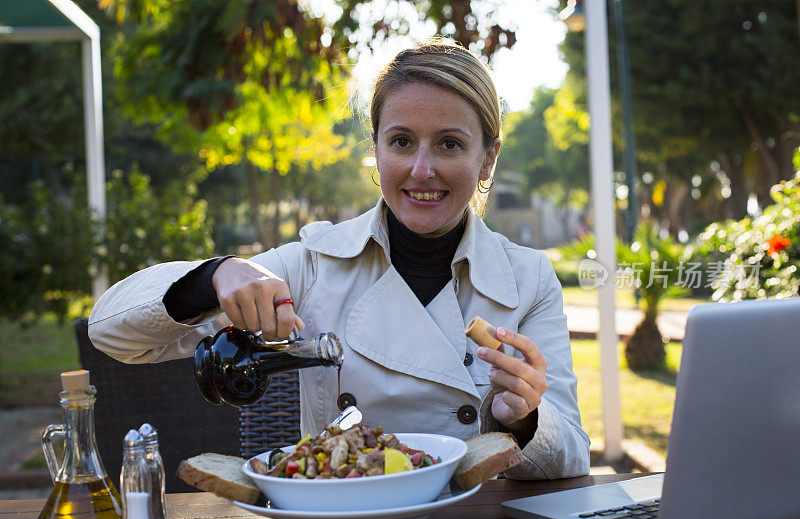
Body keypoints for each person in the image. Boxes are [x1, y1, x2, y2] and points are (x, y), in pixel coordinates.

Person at [89, 40, 590, 479]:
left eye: (450, 144)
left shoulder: (529, 279)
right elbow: (111, 334)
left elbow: (571, 459)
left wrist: (523, 420)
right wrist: (216, 275)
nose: (422, 169)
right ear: (375, 146)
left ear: (488, 158)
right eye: (401, 141)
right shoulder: (311, 265)